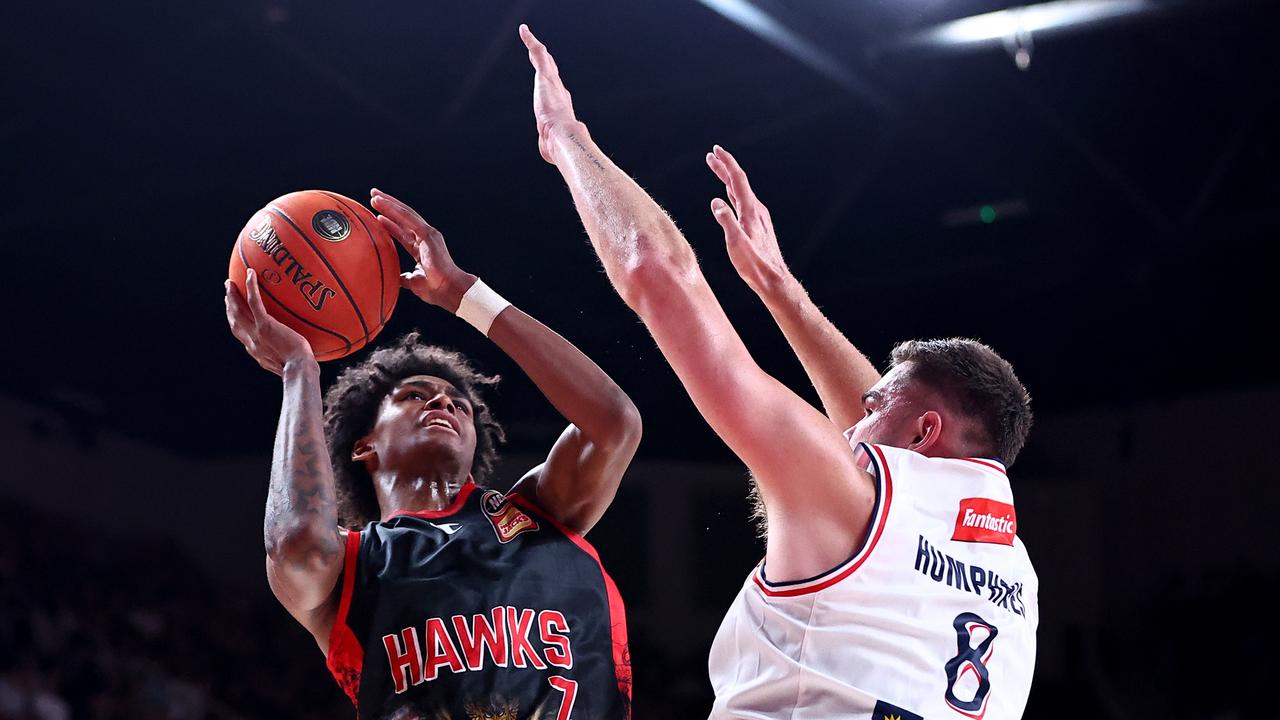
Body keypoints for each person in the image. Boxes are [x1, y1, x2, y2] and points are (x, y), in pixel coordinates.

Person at [519, 24, 1038, 720]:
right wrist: (783, 294)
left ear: (924, 432)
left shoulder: (860, 498)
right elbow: (883, 431)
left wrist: (568, 144)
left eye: (875, 402)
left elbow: (658, 274)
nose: (851, 415)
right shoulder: (1012, 565)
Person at [223, 188, 640, 719]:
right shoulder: (353, 567)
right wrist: (298, 370)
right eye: (414, 395)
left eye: (460, 403)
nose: (444, 399)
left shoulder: (539, 513)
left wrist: (467, 295)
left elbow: (615, 424)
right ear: (364, 446)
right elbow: (296, 546)